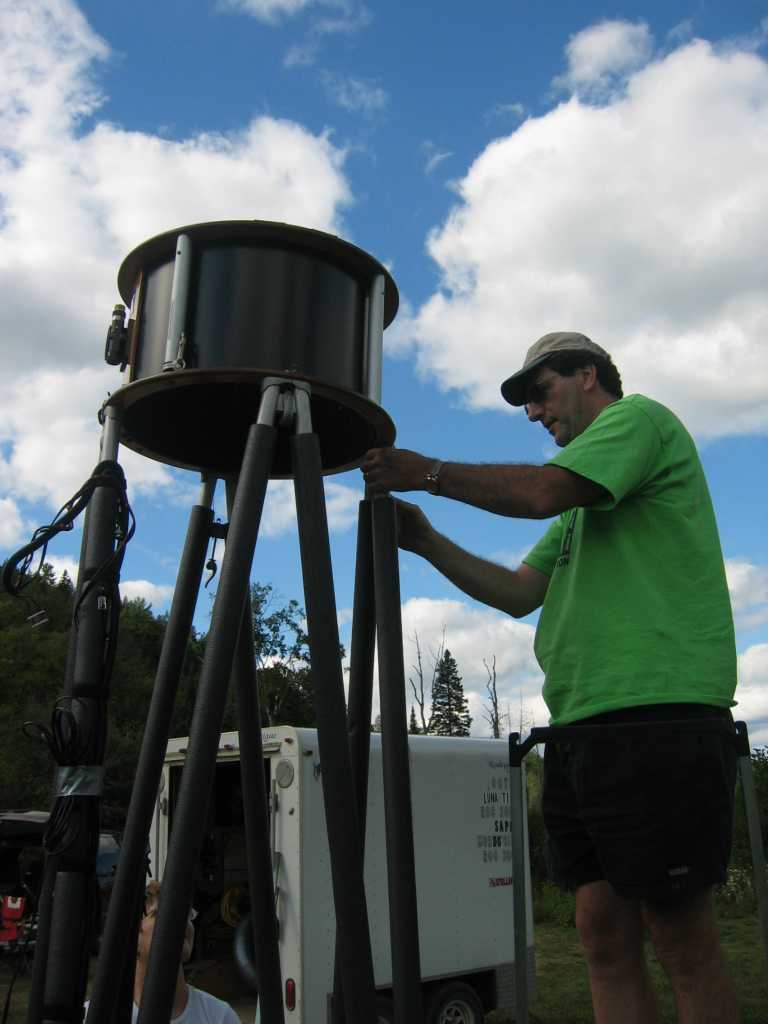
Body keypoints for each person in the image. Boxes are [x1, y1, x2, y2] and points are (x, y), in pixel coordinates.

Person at [361, 331, 738, 1024]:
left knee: (680, 938)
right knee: (601, 936)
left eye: (540, 392)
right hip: (583, 728)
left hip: (658, 716)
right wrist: (426, 540)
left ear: (588, 374)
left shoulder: (639, 420)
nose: (534, 412)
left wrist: (428, 472)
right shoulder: (580, 515)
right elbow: (517, 591)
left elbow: (538, 491)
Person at [87, 880, 243, 1023]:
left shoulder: (220, 1017)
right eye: (160, 914)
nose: (180, 921)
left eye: (185, 913)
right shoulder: (96, 1016)